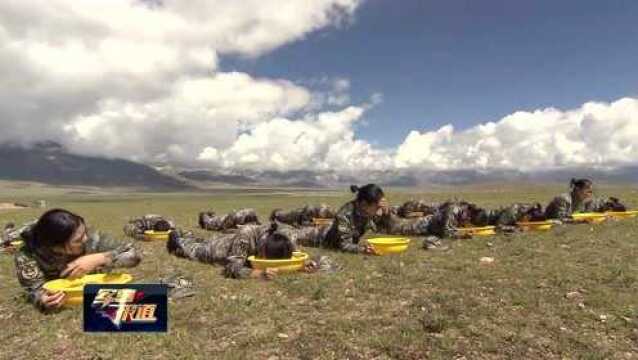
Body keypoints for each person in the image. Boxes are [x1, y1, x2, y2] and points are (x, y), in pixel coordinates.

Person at [14, 209, 141, 311]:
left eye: (84, 233)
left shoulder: (91, 237)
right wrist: (42, 299)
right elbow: (34, 288)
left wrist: (100, 258)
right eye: (78, 240)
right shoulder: (28, 254)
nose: (85, 239)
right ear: (55, 246)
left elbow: (133, 255)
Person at [166, 222, 337, 279]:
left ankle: (187, 237)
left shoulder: (286, 239)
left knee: (198, 240)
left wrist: (303, 265)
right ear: (261, 248)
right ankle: (177, 239)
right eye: (264, 258)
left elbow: (294, 258)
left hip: (229, 242)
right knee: (190, 249)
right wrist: (257, 274)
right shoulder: (246, 235)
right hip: (217, 250)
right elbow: (231, 268)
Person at [544, 178, 627, 220]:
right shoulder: (564, 199)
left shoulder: (583, 200)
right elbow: (560, 218)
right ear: (577, 190)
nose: (590, 193)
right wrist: (581, 221)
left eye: (591, 191)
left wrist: (607, 209)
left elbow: (594, 207)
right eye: (588, 191)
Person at [269, 204, 336, 227]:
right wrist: (317, 223)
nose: (324, 217)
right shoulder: (311, 210)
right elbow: (304, 223)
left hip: (298, 217)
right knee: (282, 217)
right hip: (294, 216)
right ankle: (275, 212)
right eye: (325, 215)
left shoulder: (317, 211)